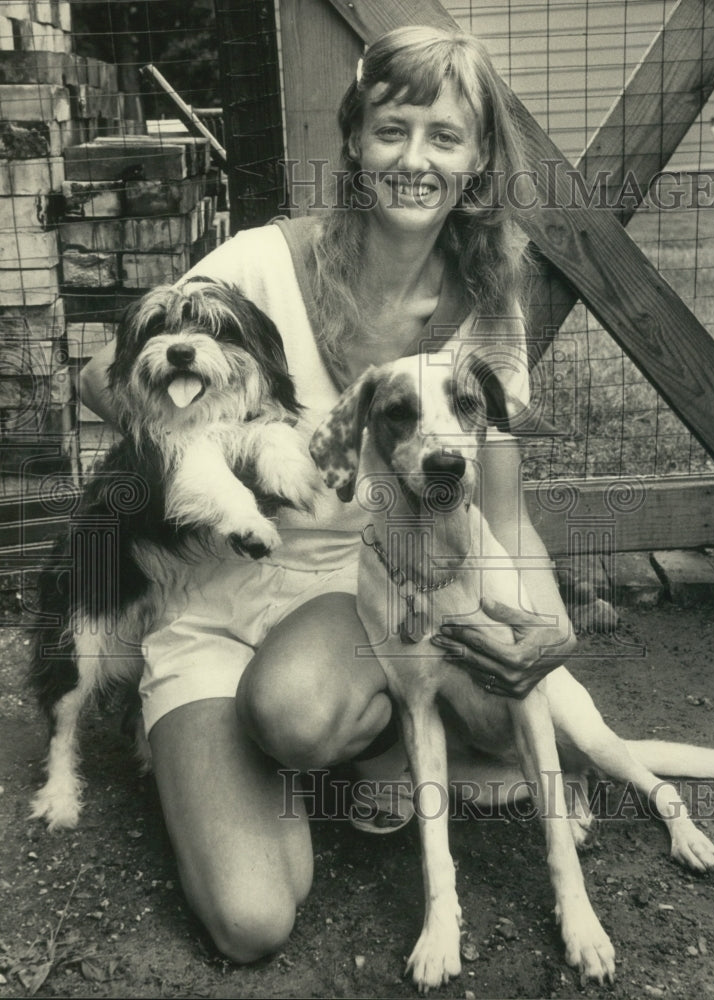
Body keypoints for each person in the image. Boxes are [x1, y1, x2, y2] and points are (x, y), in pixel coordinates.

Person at [79, 25, 575, 964]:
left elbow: (503, 512)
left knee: (302, 711)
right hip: (215, 601)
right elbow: (103, 379)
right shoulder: (261, 264)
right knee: (251, 922)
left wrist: (551, 626)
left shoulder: (487, 305)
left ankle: (360, 739)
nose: (414, 159)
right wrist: (219, 432)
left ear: (476, 164)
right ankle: (261, 758)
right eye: (392, 129)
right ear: (354, 140)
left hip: (354, 596)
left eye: (445, 136)